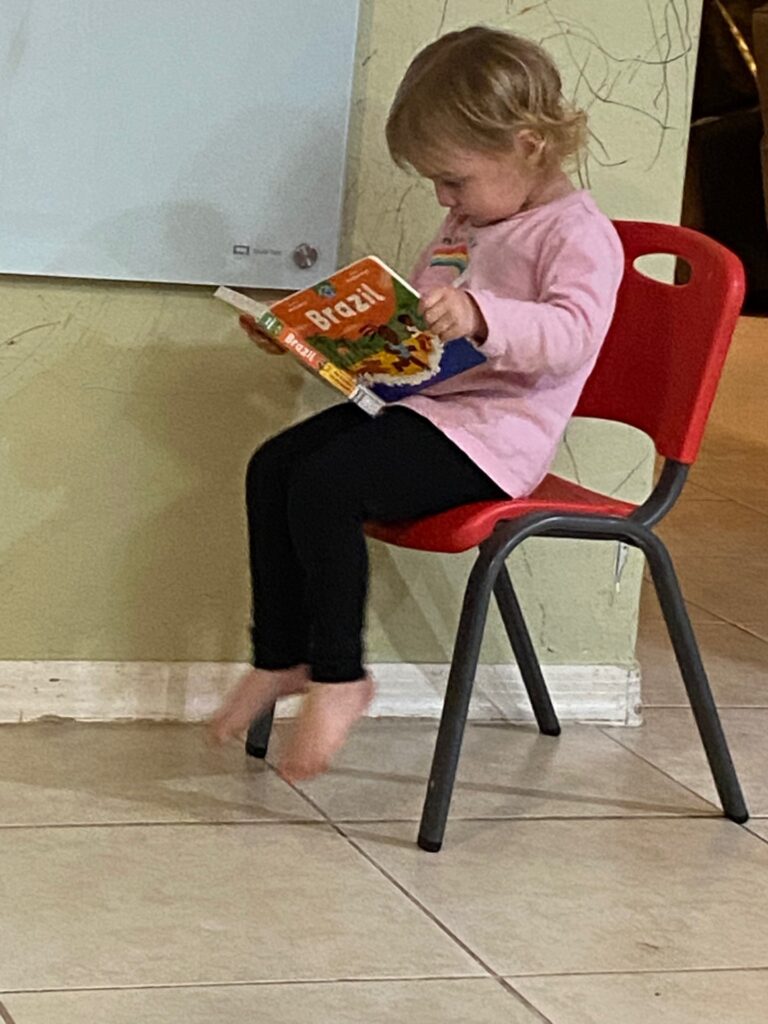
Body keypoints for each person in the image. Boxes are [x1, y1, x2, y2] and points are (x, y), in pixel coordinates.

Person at [209, 25, 624, 782]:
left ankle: (341, 676)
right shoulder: (470, 222)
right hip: (427, 410)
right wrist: (314, 336)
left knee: (328, 483)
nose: (443, 198)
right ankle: (282, 656)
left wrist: (482, 316)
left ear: (529, 145)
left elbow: (573, 334)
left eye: (454, 180)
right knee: (275, 464)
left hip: (495, 438)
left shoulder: (579, 234)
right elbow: (412, 321)